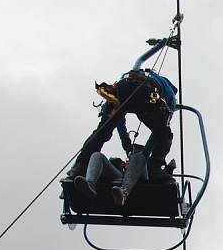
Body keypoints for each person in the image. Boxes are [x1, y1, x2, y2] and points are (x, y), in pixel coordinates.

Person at [67, 37, 178, 182]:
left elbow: (120, 122)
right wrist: (145, 155)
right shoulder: (170, 95)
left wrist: (126, 144)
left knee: (103, 131)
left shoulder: (141, 71)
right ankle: (155, 169)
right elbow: (159, 133)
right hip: (146, 97)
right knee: (164, 135)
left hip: (119, 91)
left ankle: (80, 165)